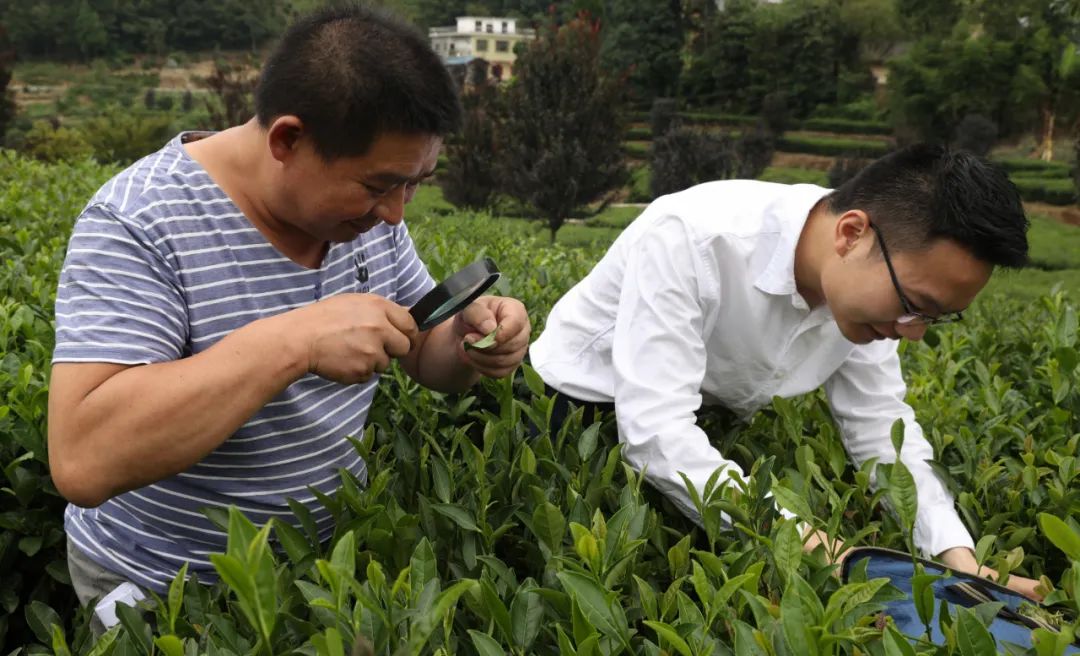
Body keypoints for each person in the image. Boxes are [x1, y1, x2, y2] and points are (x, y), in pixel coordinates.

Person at [48, 5, 530, 612]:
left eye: (416, 182)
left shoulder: (365, 217)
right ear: (288, 139)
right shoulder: (140, 220)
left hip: (317, 571)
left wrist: (467, 340)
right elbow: (82, 460)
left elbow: (421, 353)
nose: (396, 212)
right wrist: (293, 343)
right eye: (380, 184)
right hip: (162, 588)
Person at [529, 144, 1042, 599]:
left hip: (704, 417)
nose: (914, 332)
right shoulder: (693, 236)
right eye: (915, 305)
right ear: (851, 233)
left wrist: (956, 554)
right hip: (578, 404)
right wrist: (800, 537)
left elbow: (878, 422)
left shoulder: (869, 292)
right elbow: (655, 429)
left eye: (934, 317)